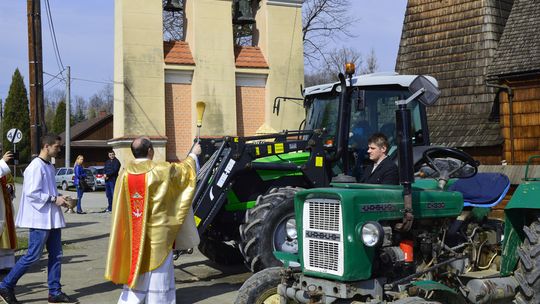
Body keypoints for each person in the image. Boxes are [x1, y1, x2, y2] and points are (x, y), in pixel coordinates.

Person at [105, 137, 201, 304]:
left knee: (137, 265)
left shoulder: (125, 173)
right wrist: (193, 155)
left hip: (134, 232)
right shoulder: (161, 170)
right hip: (159, 234)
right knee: (160, 274)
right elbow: (185, 172)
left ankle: (131, 300)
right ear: (150, 150)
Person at [0, 134, 78, 304]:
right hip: (39, 219)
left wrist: (60, 198)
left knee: (56, 255)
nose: (59, 149)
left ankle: (54, 292)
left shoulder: (49, 166)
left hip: (52, 218)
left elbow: (48, 190)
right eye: (57, 146)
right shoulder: (35, 167)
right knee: (33, 255)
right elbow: (31, 193)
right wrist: (53, 199)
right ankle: (5, 285)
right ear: (46, 146)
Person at [0, 153, 17, 274]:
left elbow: (10, 181)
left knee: (7, 231)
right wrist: (2, 162)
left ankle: (6, 264)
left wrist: (10, 188)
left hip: (5, 204)